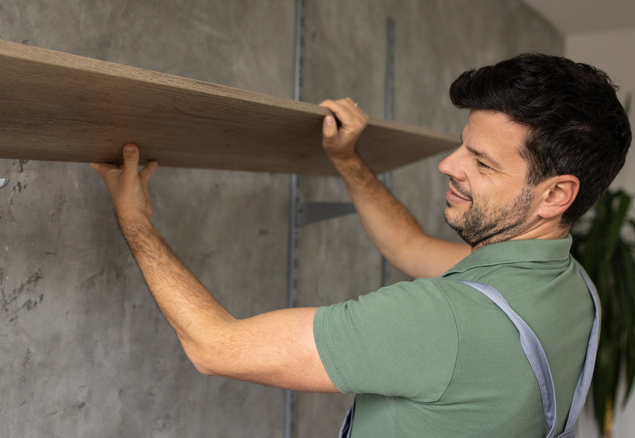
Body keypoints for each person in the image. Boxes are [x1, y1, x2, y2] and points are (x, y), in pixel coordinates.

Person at [91, 53, 631, 437]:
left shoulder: (443, 321)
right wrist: (347, 158)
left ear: (556, 194)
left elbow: (216, 347)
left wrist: (134, 218)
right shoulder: (569, 289)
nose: (449, 165)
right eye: (462, 147)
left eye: (481, 162)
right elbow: (410, 246)